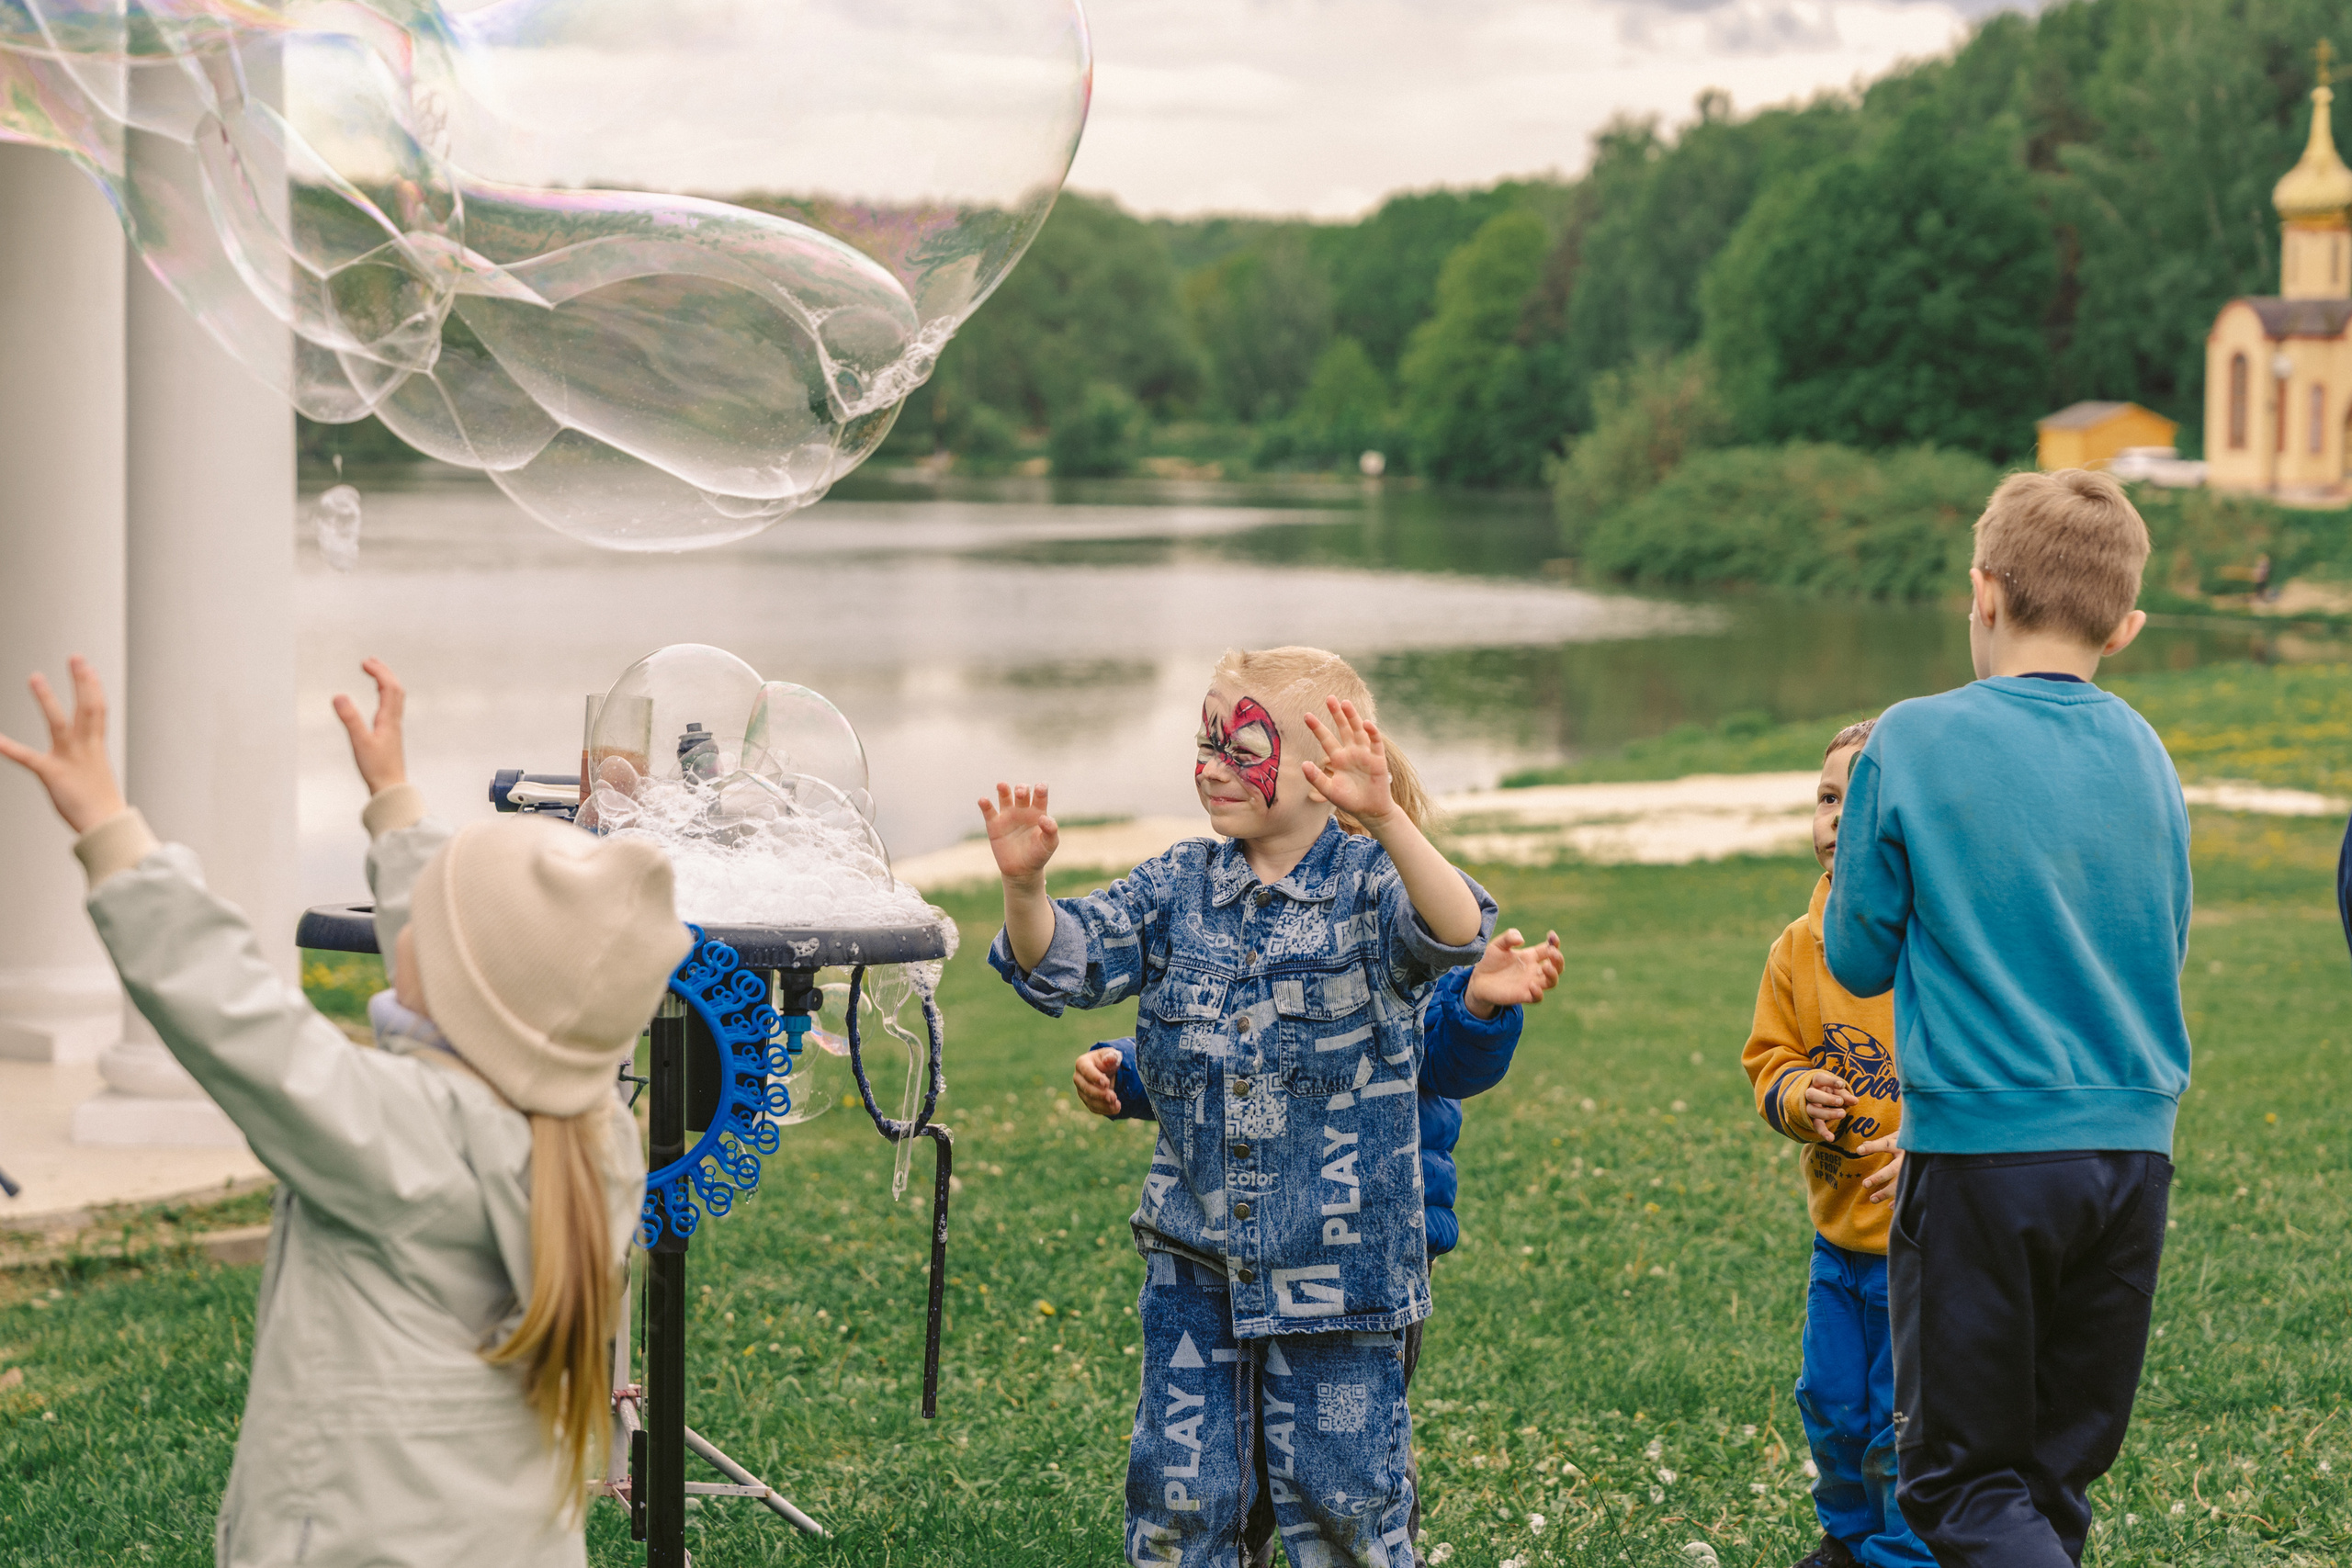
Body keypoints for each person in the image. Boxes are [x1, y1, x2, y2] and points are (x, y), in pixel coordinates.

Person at [0, 657, 684, 1568]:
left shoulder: (397, 1139)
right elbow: (496, 985)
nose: (401, 932)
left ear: (451, 984)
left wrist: (113, 836)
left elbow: (240, 1023)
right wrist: (395, 804)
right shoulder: (595, 1137)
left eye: (424, 930)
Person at [982, 646, 1497, 1568]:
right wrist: (1026, 890)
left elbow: (1457, 933)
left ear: (1321, 769)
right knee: (1183, 1496)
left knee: (1344, 1503)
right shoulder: (1178, 886)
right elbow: (1064, 962)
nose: (1212, 765)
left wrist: (1383, 817)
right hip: (1196, 1257)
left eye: (1240, 745)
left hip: (1340, 1269)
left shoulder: (1370, 886)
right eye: (1204, 742)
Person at [1825, 468, 2191, 1568]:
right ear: (2123, 626)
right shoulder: (2150, 753)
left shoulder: (1911, 738)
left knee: (1959, 1482)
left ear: (1980, 594)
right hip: (2131, 1155)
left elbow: (1853, 958)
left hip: (1984, 1158)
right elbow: (2162, 938)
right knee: (2049, 1476)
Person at [1074, 926, 1566, 1566]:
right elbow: (1204, 1046)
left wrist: (1479, 1002)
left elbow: (1447, 1054)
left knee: (1343, 1442)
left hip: (1360, 1252)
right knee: (1224, 1437)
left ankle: (1365, 1540)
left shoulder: (1403, 944)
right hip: (1238, 1249)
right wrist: (1121, 1068)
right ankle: (1237, 1540)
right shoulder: (1243, 934)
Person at [1740, 717, 1932, 1568]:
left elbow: (1969, 1060)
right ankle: (1848, 1535)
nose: (1836, 817)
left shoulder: (1932, 943)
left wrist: (1936, 1141)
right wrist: (1790, 1091)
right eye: (1826, 798)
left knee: (1905, 1408)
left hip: (1922, 1242)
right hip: (1837, 1237)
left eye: (1860, 801)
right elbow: (1767, 1054)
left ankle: (1905, 1546)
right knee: (1831, 1399)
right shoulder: (1796, 947)